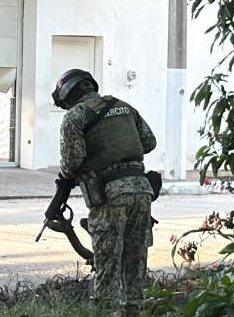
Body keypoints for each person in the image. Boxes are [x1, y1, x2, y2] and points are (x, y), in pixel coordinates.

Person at [52, 69, 156, 317]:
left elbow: (72, 162)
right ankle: (134, 310)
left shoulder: (74, 117)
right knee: (135, 259)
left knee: (107, 263)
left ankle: (104, 311)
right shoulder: (124, 107)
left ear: (68, 98)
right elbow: (149, 142)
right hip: (142, 191)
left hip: (109, 196)